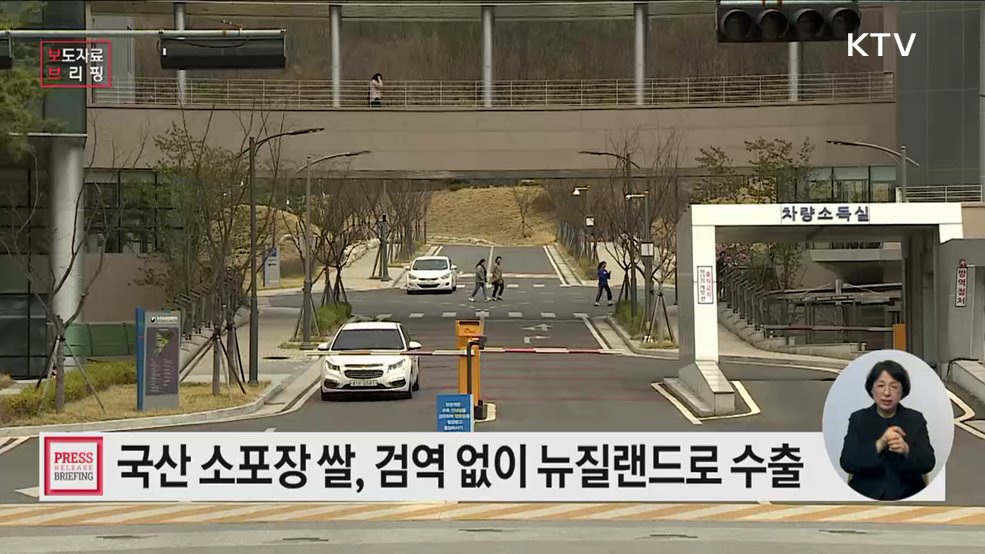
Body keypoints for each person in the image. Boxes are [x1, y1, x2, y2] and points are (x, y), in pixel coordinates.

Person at [839, 360, 936, 501]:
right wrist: (879, 444)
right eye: (880, 386)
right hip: (865, 497)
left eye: (894, 386)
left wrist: (906, 450)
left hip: (907, 496)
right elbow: (847, 462)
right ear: (871, 389)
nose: (886, 393)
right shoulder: (858, 419)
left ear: (902, 391)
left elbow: (928, 463)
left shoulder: (915, 419)